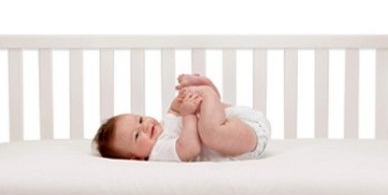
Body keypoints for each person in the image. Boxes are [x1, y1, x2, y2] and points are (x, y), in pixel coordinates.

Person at [92, 73, 270, 162]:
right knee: (210, 131)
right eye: (137, 135)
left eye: (140, 120)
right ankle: (208, 93)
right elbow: (190, 148)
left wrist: (182, 100)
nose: (145, 126)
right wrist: (188, 114)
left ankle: (207, 92)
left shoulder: (163, 127)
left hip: (237, 122)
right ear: (136, 159)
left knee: (207, 121)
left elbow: (174, 112)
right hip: (246, 139)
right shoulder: (158, 152)